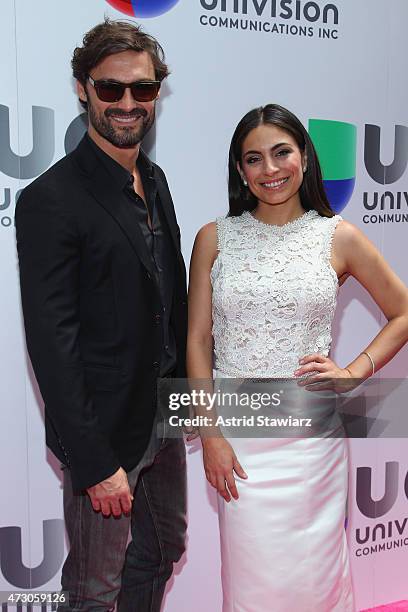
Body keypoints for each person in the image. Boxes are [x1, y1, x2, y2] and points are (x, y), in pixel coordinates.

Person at [187, 104, 408, 611]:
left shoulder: (338, 236)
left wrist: (354, 372)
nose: (270, 169)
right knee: (250, 584)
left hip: (310, 442)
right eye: (254, 158)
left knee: (315, 582)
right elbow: (197, 341)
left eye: (281, 152)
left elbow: (402, 312)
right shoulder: (214, 239)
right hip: (239, 438)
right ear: (239, 170)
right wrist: (212, 434)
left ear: (305, 158)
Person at [15, 19, 187, 612]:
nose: (127, 103)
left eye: (142, 89)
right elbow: (51, 345)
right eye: (110, 89)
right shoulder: (50, 199)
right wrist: (94, 464)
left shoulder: (155, 180)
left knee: (161, 553)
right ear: (83, 89)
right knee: (94, 589)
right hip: (106, 435)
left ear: (157, 91)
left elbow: (169, 299)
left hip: (164, 418)